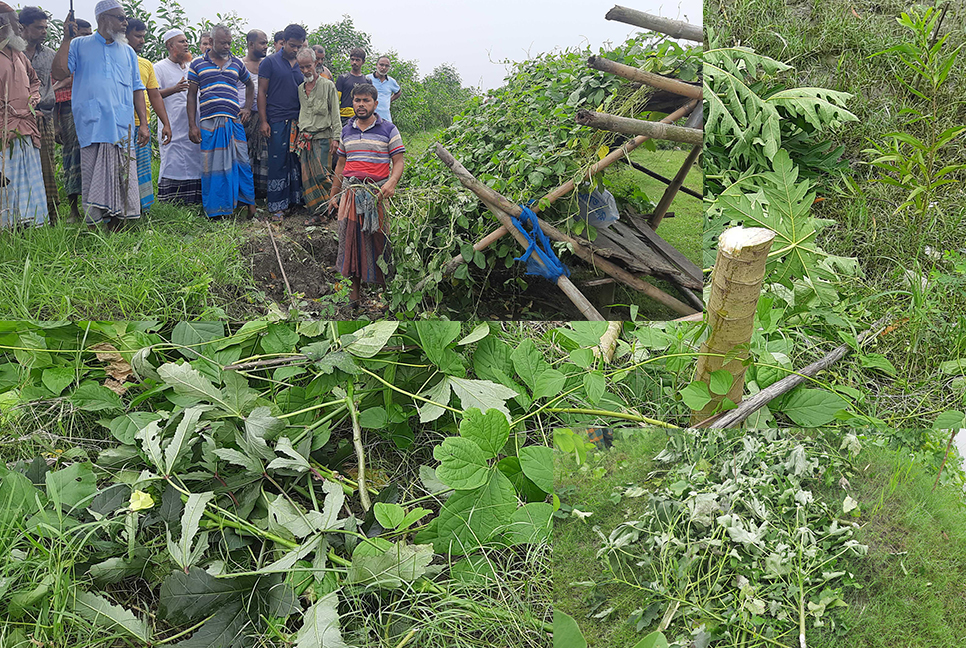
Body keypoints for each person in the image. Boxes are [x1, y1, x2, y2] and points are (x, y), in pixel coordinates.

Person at [52, 1, 150, 229]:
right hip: (92, 125)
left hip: (121, 125)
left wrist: (143, 123)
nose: (125, 23)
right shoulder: (79, 44)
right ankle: (94, 226)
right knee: (92, 175)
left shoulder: (127, 51)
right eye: (120, 18)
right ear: (104, 19)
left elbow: (137, 89)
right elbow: (59, 72)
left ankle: (119, 223)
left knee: (121, 176)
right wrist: (66, 39)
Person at [328, 84, 405, 307]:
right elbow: (341, 165)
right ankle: (354, 298)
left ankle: (387, 295)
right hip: (351, 194)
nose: (361, 105)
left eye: (366, 101)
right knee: (350, 242)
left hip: (377, 195)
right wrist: (334, 194)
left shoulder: (389, 129)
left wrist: (391, 183)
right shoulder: (346, 131)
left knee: (381, 243)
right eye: (357, 100)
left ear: (375, 103)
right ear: (352, 103)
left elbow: (398, 161)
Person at [187, 24, 255, 219]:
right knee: (212, 167)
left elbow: (250, 85)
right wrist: (192, 125)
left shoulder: (237, 63)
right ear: (212, 42)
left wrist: (247, 108)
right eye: (223, 43)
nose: (227, 46)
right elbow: (191, 96)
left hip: (234, 122)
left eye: (229, 43)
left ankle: (248, 206)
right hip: (209, 123)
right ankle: (217, 211)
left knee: (242, 162)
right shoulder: (198, 64)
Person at [0, 2, 47, 229]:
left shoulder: (19, 54)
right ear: (2, 26)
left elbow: (35, 81)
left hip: (26, 126)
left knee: (28, 177)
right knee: (6, 180)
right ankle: (8, 227)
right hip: (4, 129)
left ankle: (31, 224)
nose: (19, 28)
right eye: (14, 23)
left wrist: (32, 101)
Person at [258, 23, 305, 220]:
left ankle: (295, 202)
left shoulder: (303, 64)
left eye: (299, 46)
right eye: (292, 45)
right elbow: (261, 92)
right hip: (276, 118)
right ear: (283, 42)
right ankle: (277, 205)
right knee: (277, 162)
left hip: (299, 120)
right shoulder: (269, 62)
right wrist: (263, 121)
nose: (295, 50)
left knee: (296, 161)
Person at [126, 18, 172, 213]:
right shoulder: (111, 61)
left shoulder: (145, 64)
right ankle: (123, 210)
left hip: (140, 125)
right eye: (138, 36)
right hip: (120, 126)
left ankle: (143, 209)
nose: (142, 41)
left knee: (142, 168)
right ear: (124, 35)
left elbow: (154, 95)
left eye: (143, 36)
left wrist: (166, 124)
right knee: (123, 170)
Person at [154, 29, 202, 205]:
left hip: (191, 124)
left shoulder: (192, 67)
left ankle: (194, 200)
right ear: (170, 45)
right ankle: (172, 202)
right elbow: (153, 94)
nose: (186, 44)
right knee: (173, 162)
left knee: (195, 160)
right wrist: (174, 89)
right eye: (181, 41)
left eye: (187, 41)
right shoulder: (158, 67)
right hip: (172, 124)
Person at [51, 18, 92, 221]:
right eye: (83, 35)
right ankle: (74, 209)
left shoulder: (93, 56)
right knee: (72, 159)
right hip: (69, 112)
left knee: (91, 157)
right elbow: (55, 92)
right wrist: (56, 125)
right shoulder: (63, 56)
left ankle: (92, 205)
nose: (88, 39)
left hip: (91, 111)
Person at [19, 6, 57, 219]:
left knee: (48, 165)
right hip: (19, 119)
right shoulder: (12, 54)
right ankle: (25, 212)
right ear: (22, 28)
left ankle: (50, 212)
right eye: (38, 27)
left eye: (45, 27)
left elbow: (64, 75)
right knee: (23, 164)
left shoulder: (50, 55)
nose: (44, 31)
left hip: (45, 115)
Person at [295, 47, 339, 223]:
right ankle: (318, 213)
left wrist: (336, 138)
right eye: (302, 68)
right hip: (305, 139)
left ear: (315, 63)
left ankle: (334, 207)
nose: (306, 71)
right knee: (308, 177)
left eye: (308, 66)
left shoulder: (328, 85)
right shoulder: (300, 88)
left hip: (323, 137)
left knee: (323, 175)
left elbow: (335, 113)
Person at [242, 29, 268, 199]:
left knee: (263, 156)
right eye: (262, 43)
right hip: (244, 117)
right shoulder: (239, 64)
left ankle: (261, 194)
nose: (266, 46)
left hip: (264, 117)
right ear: (251, 44)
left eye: (266, 43)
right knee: (245, 155)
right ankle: (245, 193)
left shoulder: (268, 64)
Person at [335, 47, 368, 125]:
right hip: (344, 117)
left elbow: (369, 101)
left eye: (357, 60)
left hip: (361, 117)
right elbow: (335, 100)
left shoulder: (367, 81)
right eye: (352, 59)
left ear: (363, 62)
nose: (354, 62)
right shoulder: (343, 78)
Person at [367, 55, 401, 123]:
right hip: (370, 118)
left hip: (386, 118)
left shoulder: (391, 81)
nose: (384, 68)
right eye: (381, 65)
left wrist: (389, 100)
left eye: (387, 66)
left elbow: (398, 92)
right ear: (376, 65)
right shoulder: (367, 79)